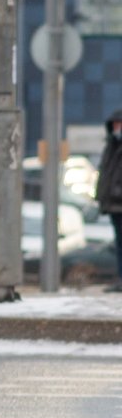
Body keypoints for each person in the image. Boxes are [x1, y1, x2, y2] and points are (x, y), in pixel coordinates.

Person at [95, 108, 122, 292]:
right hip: (113, 205)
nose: (117, 127)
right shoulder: (111, 146)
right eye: (115, 124)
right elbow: (105, 174)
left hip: (118, 202)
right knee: (119, 243)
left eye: (120, 124)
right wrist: (101, 196)